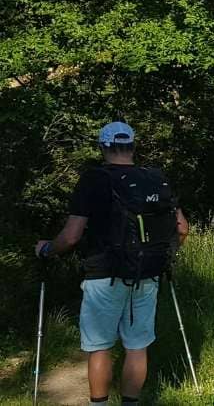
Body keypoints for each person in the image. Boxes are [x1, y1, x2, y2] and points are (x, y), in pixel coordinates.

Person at [35, 121, 189, 406]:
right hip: (147, 275)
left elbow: (70, 237)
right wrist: (164, 255)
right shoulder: (155, 178)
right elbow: (181, 228)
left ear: (103, 147)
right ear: (132, 146)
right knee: (137, 346)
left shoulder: (93, 179)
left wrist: (46, 250)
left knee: (100, 347)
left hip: (103, 276)